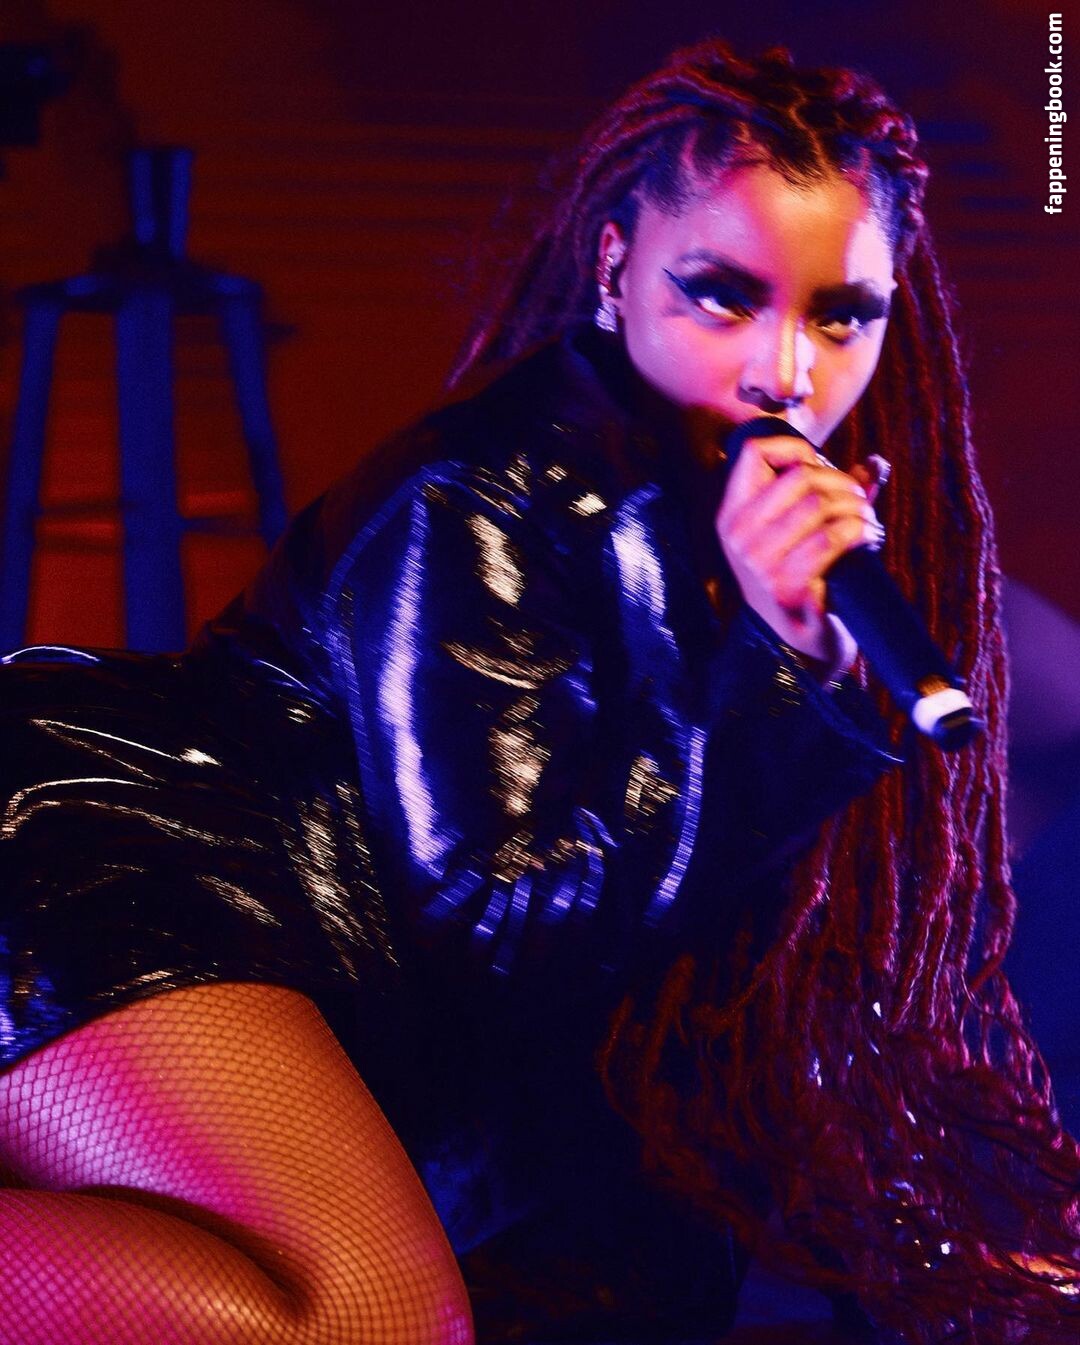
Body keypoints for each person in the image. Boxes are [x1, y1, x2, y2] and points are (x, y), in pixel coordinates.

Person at [0, 36, 1076, 1345]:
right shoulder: (489, 499)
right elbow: (504, 917)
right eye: (722, 297)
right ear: (616, 270)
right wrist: (772, 677)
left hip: (283, 954)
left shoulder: (725, 525)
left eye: (842, 314)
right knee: (370, 1318)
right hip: (109, 852)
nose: (787, 372)